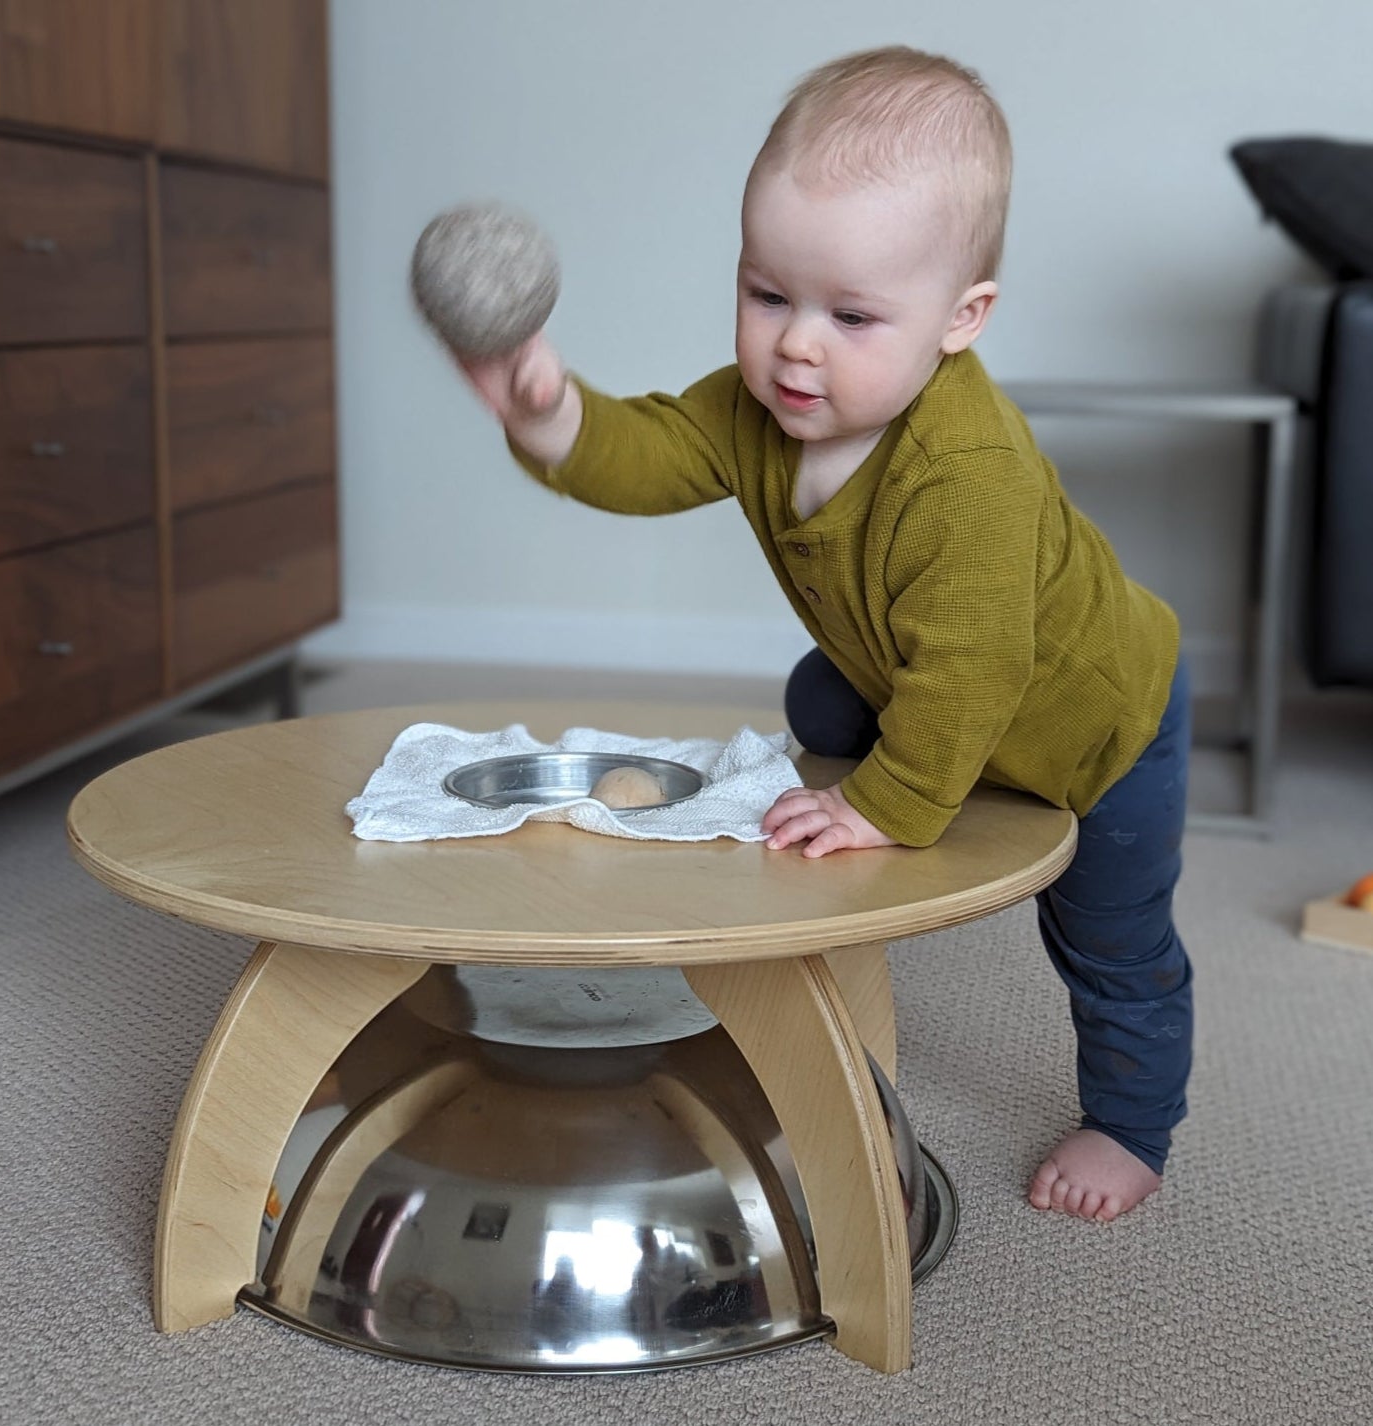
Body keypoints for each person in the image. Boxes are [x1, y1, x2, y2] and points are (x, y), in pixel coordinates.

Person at [457, 45, 1192, 1223]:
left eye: (851, 314)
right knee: (820, 703)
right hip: (917, 672)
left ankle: (1132, 1123)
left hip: (1098, 723)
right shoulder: (764, 405)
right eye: (767, 295)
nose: (796, 344)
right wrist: (549, 414)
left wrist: (881, 810)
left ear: (962, 319)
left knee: (1112, 943)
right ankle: (891, 756)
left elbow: (977, 669)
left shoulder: (967, 474)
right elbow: (646, 453)